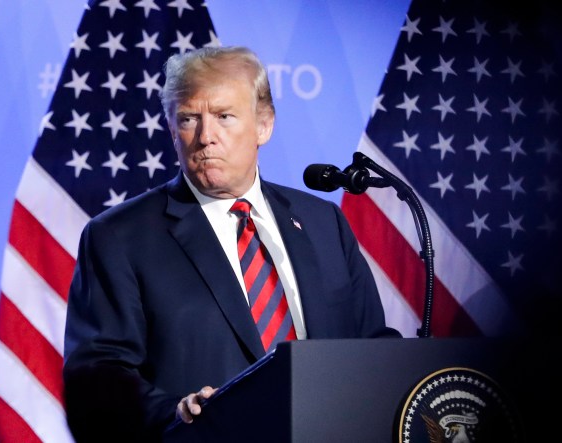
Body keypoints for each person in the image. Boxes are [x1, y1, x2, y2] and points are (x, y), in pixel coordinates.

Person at [62, 45, 399, 442]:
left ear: (264, 125)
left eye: (224, 117)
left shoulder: (323, 222)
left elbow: (373, 347)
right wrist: (174, 411)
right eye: (189, 119)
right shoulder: (119, 237)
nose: (206, 137)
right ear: (172, 129)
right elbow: (96, 379)